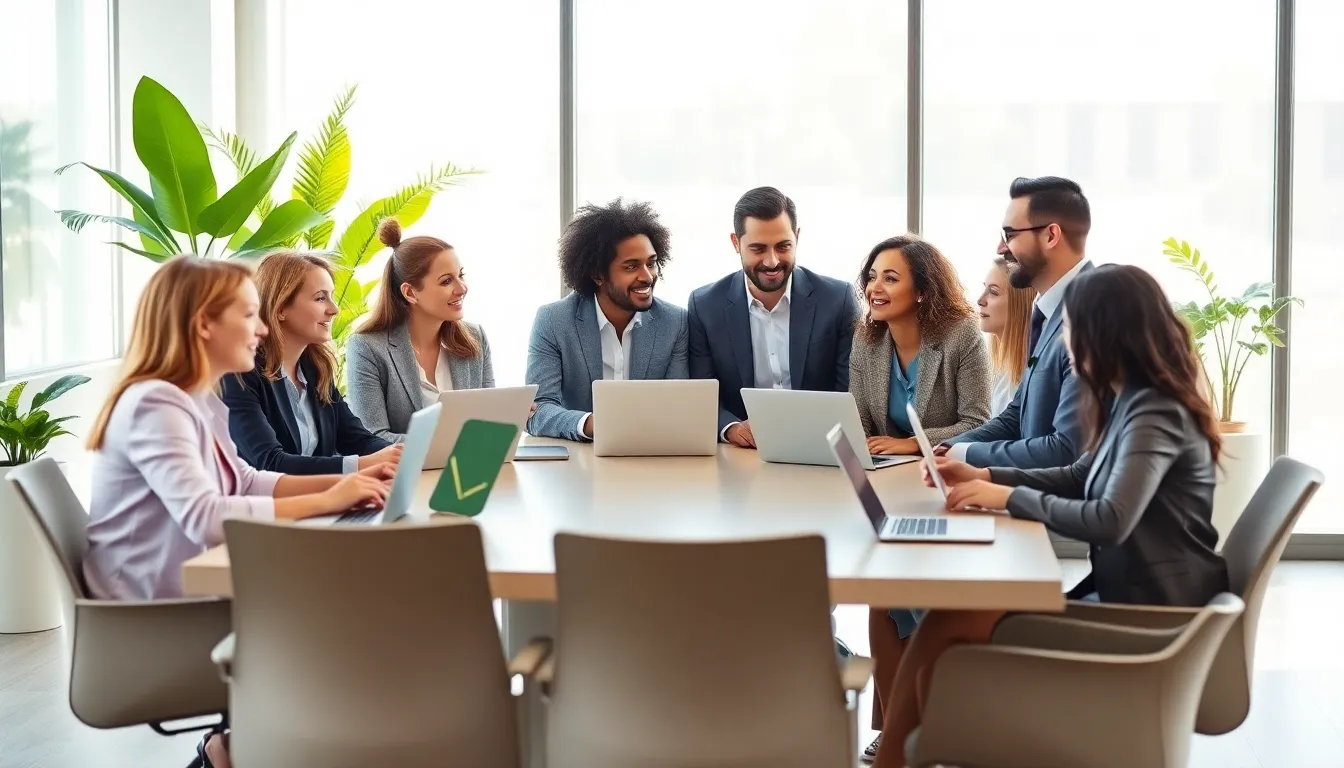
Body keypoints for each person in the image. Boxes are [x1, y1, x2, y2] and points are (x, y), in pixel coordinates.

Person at [870, 264, 1228, 767]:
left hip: (1151, 616)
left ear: (1105, 334)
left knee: (948, 625)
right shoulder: (1131, 400)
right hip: (1130, 594)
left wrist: (1006, 500)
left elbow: (1110, 519)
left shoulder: (1155, 412)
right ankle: (915, 751)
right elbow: (1079, 473)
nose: (1068, 344)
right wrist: (988, 481)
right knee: (945, 625)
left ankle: (904, 756)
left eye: (1074, 330)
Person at [82, 256, 396, 768]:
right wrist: (329, 497)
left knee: (351, 612)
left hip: (194, 589)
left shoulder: (197, 398)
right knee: (347, 622)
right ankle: (238, 749)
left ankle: (232, 750)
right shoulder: (155, 405)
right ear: (204, 322)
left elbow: (247, 480)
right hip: (150, 621)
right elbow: (204, 516)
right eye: (250, 315)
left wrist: (348, 485)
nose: (261, 328)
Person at [937, 176, 1093, 469]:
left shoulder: (1092, 313)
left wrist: (964, 456)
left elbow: (1067, 450)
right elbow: (1016, 415)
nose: (1000, 247)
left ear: (1051, 236)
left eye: (1010, 234)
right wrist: (949, 448)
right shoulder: (1050, 310)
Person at [686, 186, 858, 446]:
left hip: (821, 444)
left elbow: (848, 390)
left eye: (783, 246)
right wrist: (731, 428)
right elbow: (702, 395)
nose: (772, 261)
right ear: (736, 243)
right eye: (758, 249)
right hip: (743, 453)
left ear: (797, 238)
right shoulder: (705, 305)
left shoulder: (838, 299)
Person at [222, 251, 402, 474]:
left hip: (319, 502)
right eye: (320, 298)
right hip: (260, 507)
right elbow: (269, 462)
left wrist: (405, 454)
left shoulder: (315, 370)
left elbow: (358, 440)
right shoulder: (238, 373)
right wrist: (363, 465)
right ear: (280, 309)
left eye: (331, 296)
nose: (334, 309)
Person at [525, 198, 688, 441]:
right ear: (597, 275)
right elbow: (537, 411)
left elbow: (679, 406)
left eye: (651, 264)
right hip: (578, 464)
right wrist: (592, 423)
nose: (647, 277)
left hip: (652, 457)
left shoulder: (675, 322)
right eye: (631, 267)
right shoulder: (553, 320)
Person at [346, 219, 495, 442]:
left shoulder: (475, 338)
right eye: (446, 281)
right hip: (402, 474)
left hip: (469, 472)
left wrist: (509, 420)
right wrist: (448, 442)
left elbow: (488, 420)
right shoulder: (367, 348)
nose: (462, 288)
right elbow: (372, 437)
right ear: (410, 293)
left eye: (460, 275)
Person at [849, 235, 990, 456]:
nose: (873, 288)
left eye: (890, 279)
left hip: (946, 466)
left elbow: (977, 423)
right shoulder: (865, 340)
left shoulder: (962, 334)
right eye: (871, 277)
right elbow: (858, 421)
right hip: (889, 467)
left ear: (922, 292)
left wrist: (918, 443)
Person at [978, 256, 1037, 415]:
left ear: (1019, 305)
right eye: (984, 288)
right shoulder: (997, 371)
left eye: (993, 292)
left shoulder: (1033, 375)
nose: (980, 300)